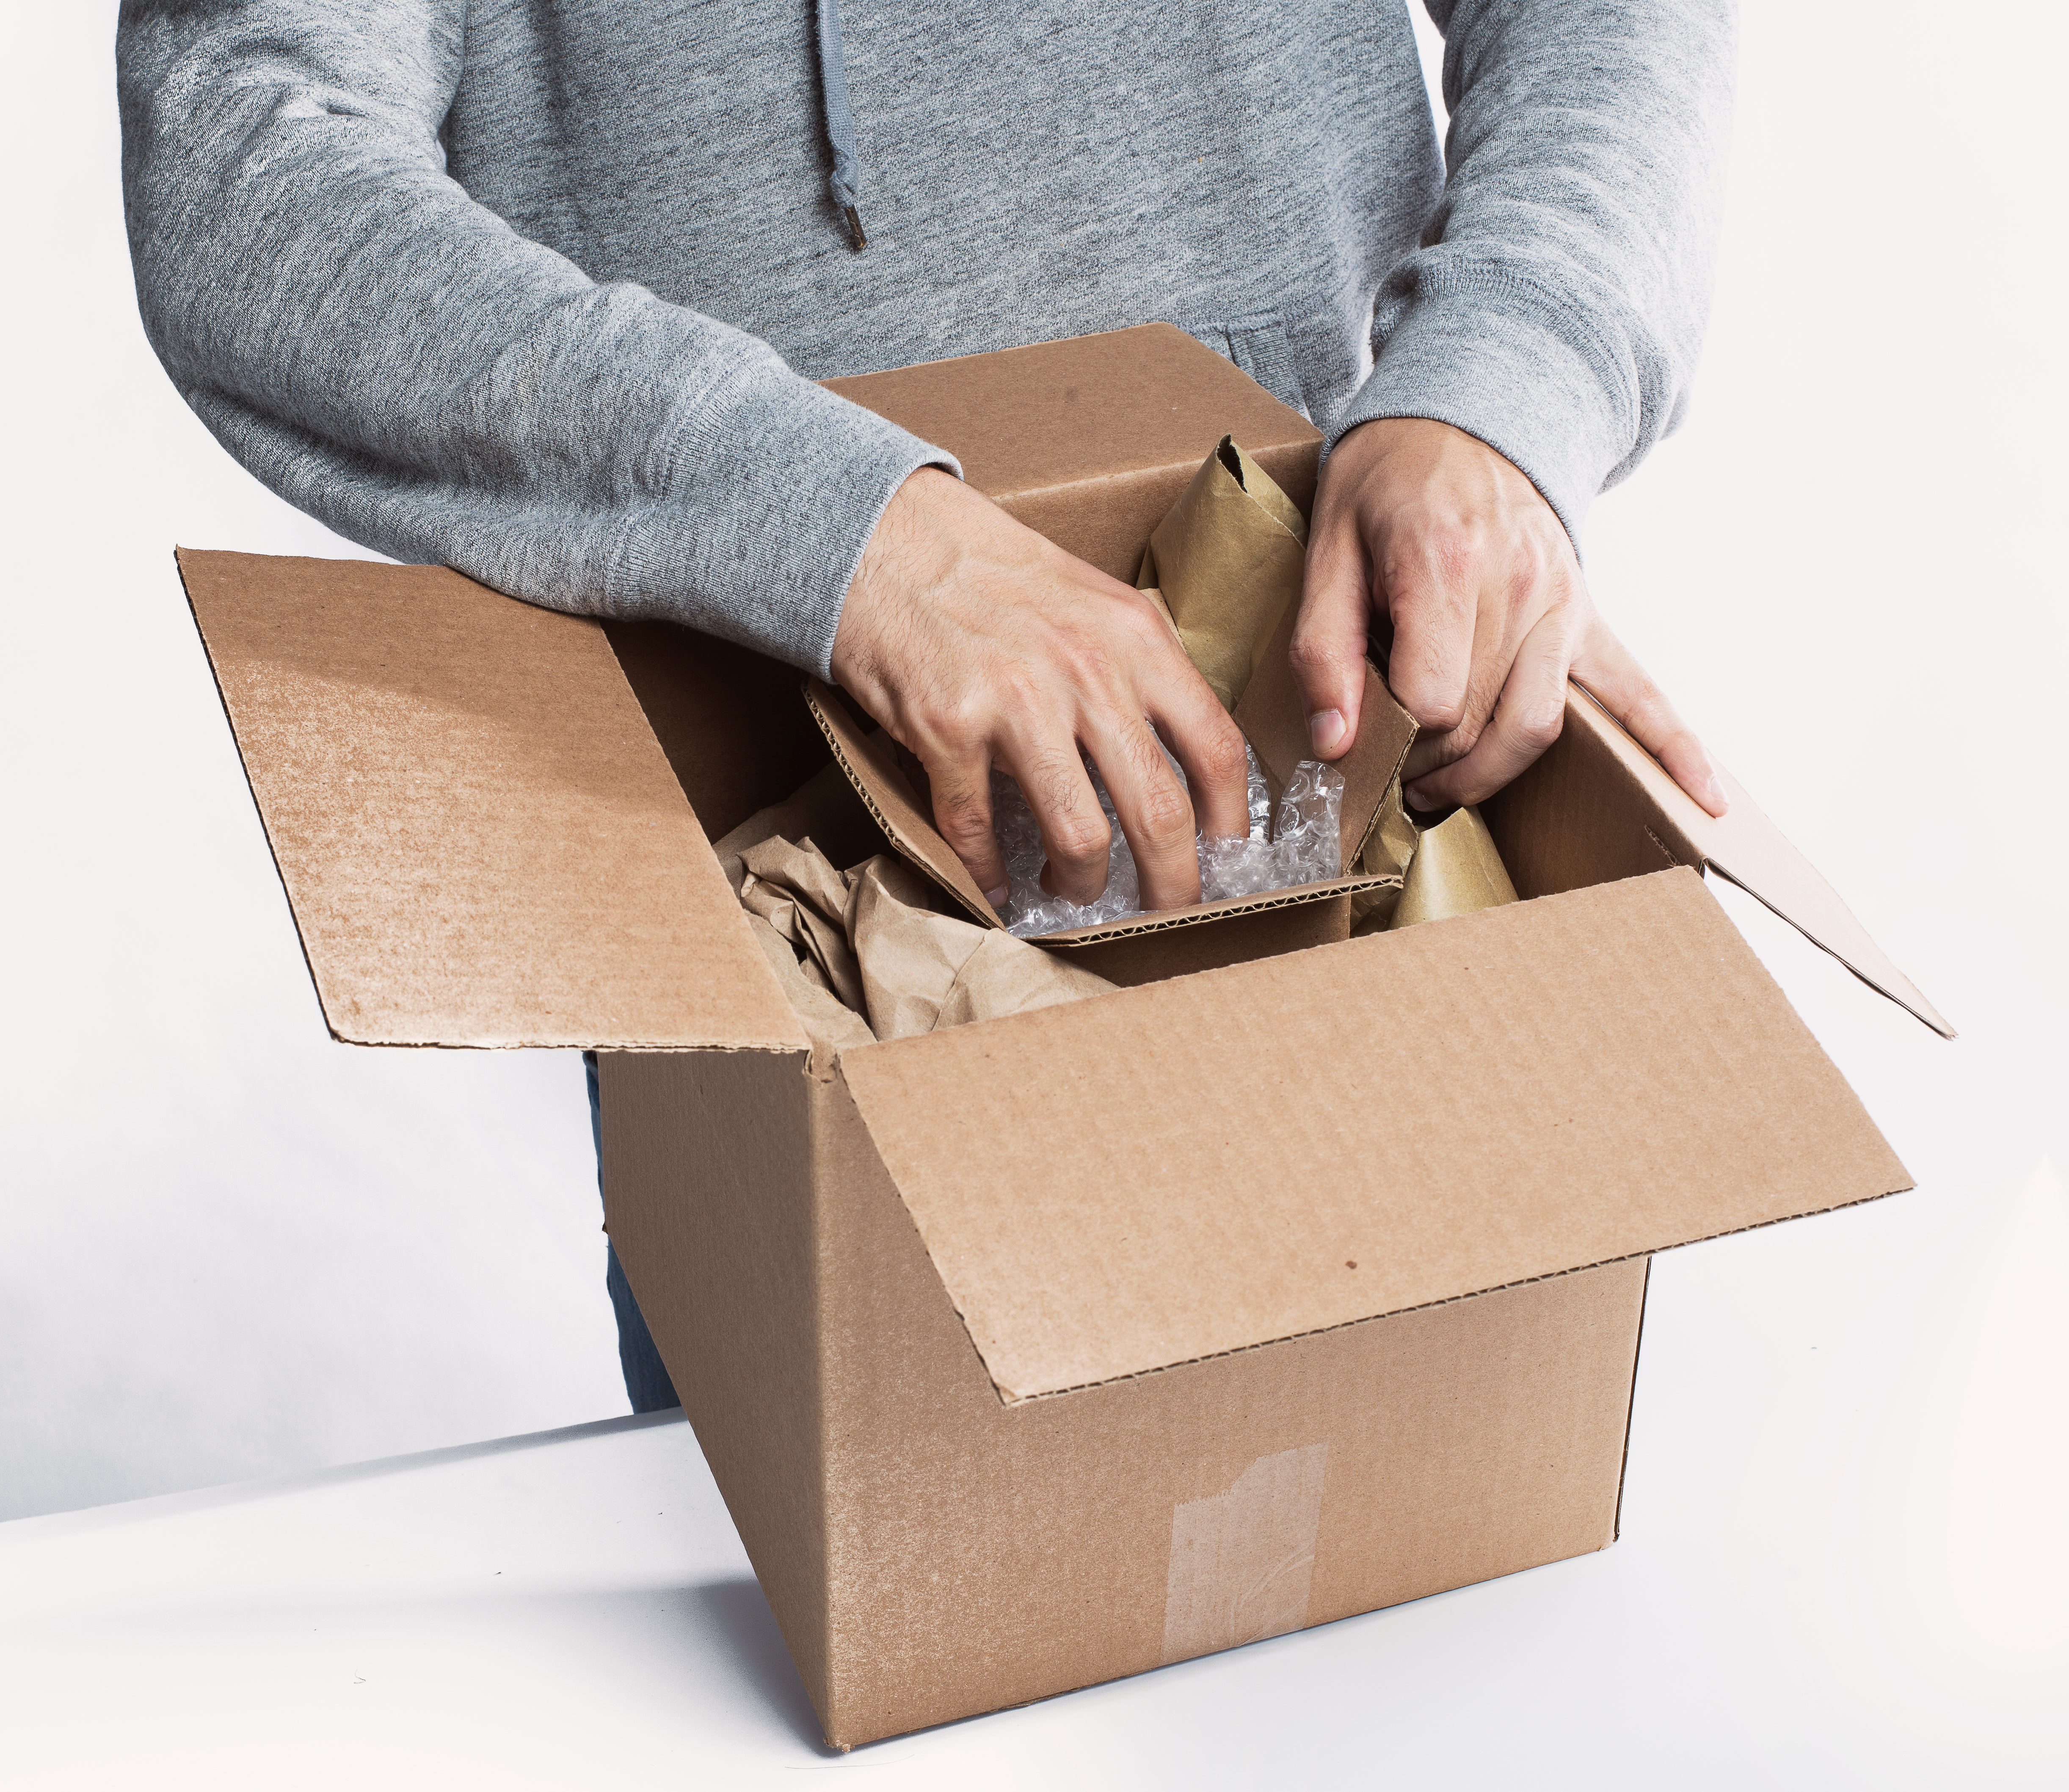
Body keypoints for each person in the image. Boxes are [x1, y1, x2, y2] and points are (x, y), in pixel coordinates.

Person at [118, 0, 1738, 1413]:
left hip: (1336, 701)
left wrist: (1515, 376)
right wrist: (852, 534)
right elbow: (246, 158)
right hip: (764, 829)